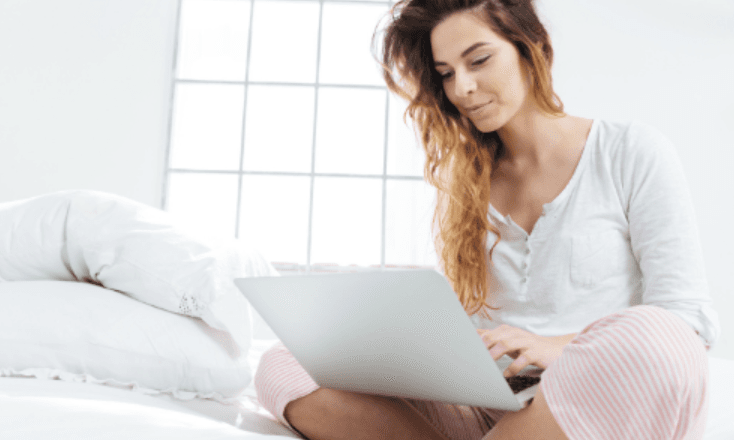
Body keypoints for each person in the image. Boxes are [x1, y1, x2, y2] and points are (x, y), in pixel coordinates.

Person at [254, 0, 720, 438]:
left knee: (661, 338)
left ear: (531, 48)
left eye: (478, 61)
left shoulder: (630, 151)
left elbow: (686, 318)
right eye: (446, 74)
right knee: (282, 365)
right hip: (490, 404)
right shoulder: (467, 182)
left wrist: (555, 347)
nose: (462, 89)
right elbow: (476, 318)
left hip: (584, 398)